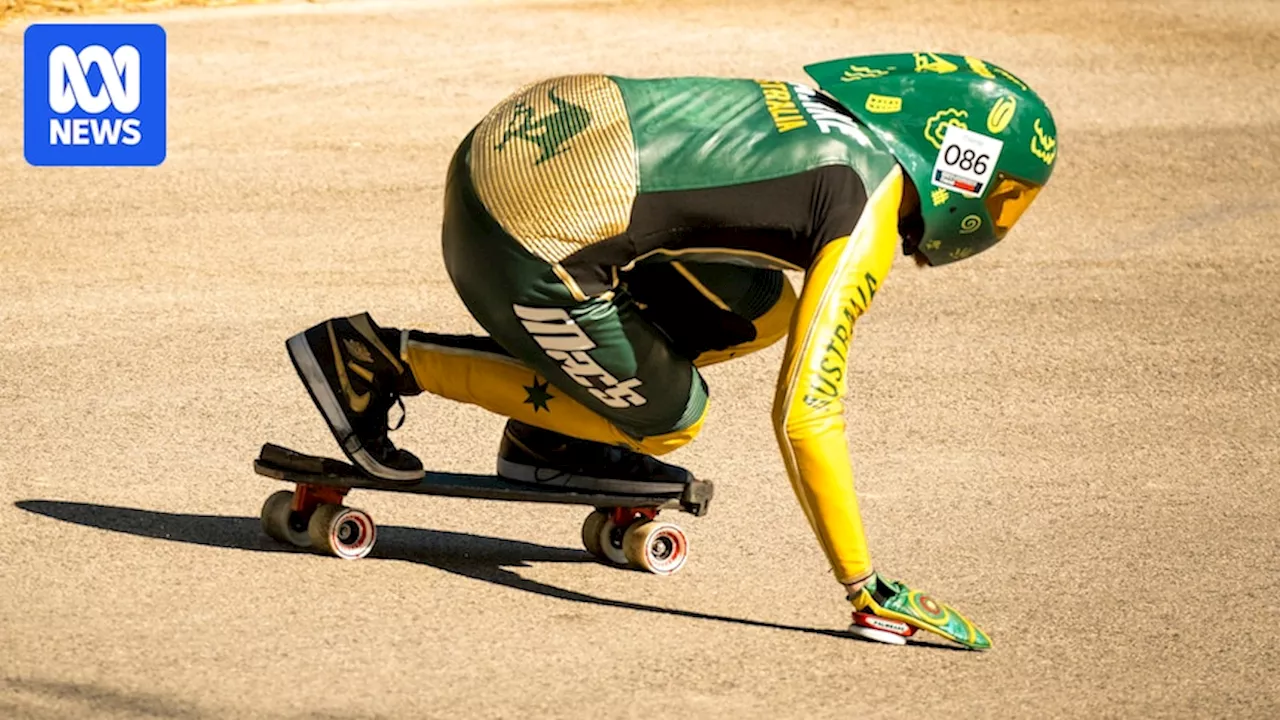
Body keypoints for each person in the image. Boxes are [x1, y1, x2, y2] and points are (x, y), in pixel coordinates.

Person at [285, 52, 1057, 649]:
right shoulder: (867, 208)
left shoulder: (833, 122)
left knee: (762, 309)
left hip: (520, 144)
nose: (999, 215)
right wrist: (865, 584)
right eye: (1007, 194)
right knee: (672, 421)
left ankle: (546, 431)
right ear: (963, 160)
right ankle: (378, 360)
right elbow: (806, 412)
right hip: (519, 233)